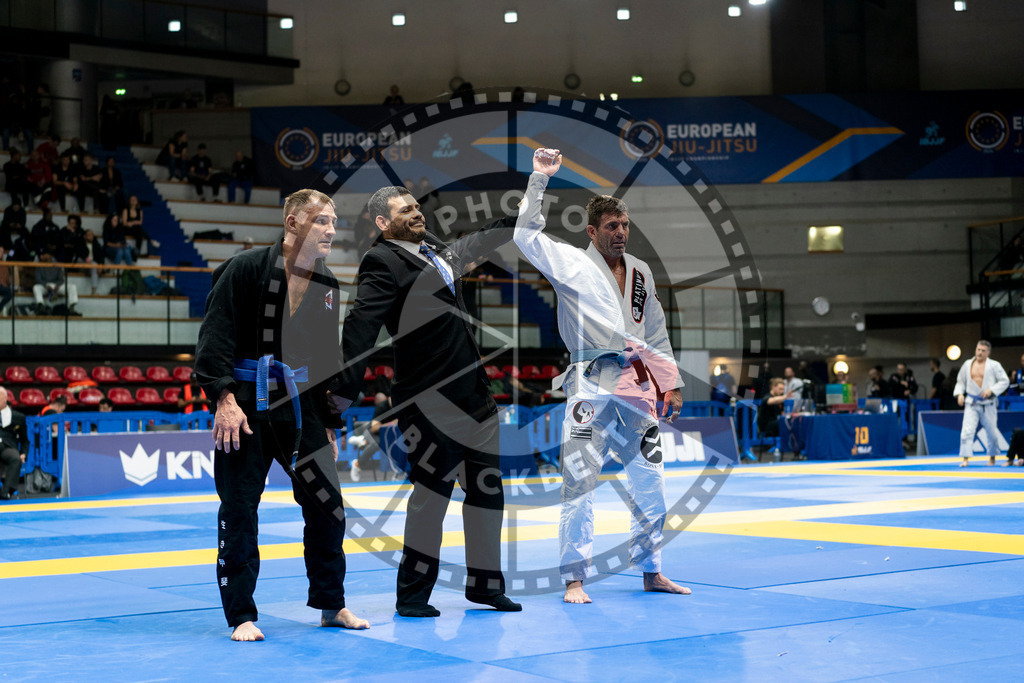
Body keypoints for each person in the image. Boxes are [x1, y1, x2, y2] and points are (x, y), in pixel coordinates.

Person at [334, 184, 521, 618]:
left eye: (417, 207)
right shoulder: (381, 261)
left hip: (475, 396)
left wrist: (525, 207)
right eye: (405, 210)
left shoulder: (435, 248)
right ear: (384, 223)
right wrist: (345, 389)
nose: (417, 213)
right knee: (431, 498)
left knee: (487, 496)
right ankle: (413, 595)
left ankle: (485, 587)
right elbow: (361, 327)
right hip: (428, 401)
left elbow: (480, 239)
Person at [514, 148, 688, 604]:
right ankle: (575, 577)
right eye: (612, 227)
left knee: (651, 478)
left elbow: (655, 330)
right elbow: (525, 235)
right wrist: (539, 179)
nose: (621, 233)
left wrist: (670, 380)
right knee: (579, 479)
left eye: (625, 226)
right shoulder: (570, 262)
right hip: (589, 382)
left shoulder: (641, 272)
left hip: (636, 385)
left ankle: (652, 569)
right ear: (592, 232)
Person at [193, 188, 368, 641]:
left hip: (302, 406)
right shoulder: (244, 269)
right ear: (293, 223)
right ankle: (241, 615)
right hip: (246, 405)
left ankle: (331, 604)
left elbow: (328, 358)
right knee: (239, 509)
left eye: (333, 221)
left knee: (328, 506)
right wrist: (223, 400)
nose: (331, 229)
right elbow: (214, 338)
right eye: (322, 221)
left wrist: (330, 422)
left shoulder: (327, 284)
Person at [954, 340, 1009, 467]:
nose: (980, 352)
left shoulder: (994, 365)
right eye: (978, 349)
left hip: (988, 403)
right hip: (971, 403)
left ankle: (992, 458)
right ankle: (965, 459)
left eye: (983, 351)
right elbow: (960, 381)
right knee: (967, 430)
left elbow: (1004, 381)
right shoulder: (967, 364)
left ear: (988, 352)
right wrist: (960, 394)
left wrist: (992, 390)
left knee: (992, 432)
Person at [0, 386, 28, 501]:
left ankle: (6, 492)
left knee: (15, 458)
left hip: (8, 447)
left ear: (5, 397)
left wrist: (23, 453)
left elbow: (24, 439)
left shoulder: (18, 417)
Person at [758, 378, 788, 460]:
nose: (781, 391)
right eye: (780, 389)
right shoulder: (767, 397)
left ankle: (796, 450)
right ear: (773, 387)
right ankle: (782, 447)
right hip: (766, 426)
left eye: (783, 389)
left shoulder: (779, 400)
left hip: (776, 425)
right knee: (782, 422)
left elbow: (782, 414)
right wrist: (785, 397)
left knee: (789, 421)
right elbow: (770, 401)